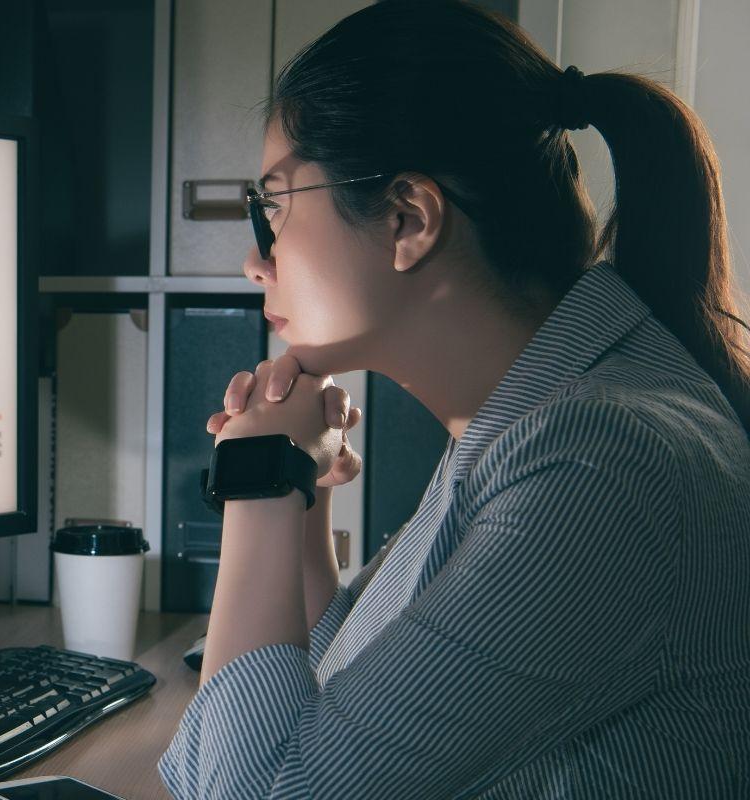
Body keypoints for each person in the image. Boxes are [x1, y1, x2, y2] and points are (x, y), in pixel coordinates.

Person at [158, 1, 750, 797]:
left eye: (276, 212)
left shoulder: (597, 467)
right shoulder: (536, 419)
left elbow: (261, 790)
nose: (253, 262)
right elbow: (351, 691)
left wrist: (259, 480)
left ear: (409, 219)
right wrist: (299, 513)